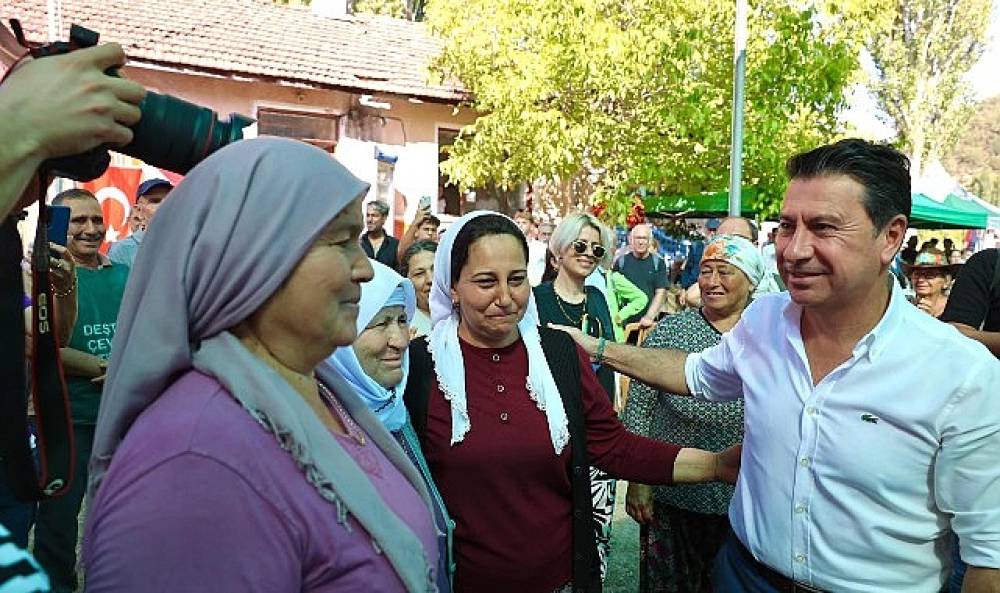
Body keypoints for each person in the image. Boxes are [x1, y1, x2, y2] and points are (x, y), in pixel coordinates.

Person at [553, 139, 1000, 593]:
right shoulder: (764, 322)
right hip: (742, 575)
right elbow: (693, 374)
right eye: (787, 226)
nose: (795, 250)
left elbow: (988, 558)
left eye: (824, 227)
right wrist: (594, 347)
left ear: (890, 237)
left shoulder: (962, 374)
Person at [82, 138, 439, 592]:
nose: (365, 270)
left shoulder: (324, 391)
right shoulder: (194, 462)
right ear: (254, 257)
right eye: (341, 242)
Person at [403, 211, 740, 593]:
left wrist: (716, 464)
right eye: (485, 282)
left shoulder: (558, 355)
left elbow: (613, 446)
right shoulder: (419, 367)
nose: (505, 297)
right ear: (453, 287)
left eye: (516, 280)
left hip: (559, 581)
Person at [622, 235, 763, 593]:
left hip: (745, 500)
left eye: (725, 272)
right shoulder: (671, 330)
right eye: (706, 271)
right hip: (673, 493)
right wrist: (638, 480)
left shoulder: (768, 336)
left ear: (751, 282)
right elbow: (639, 405)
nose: (712, 282)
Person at [327, 260, 454, 592]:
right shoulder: (327, 426)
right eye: (379, 323)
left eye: (401, 320)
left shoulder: (396, 408)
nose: (399, 339)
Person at [31, 189, 129, 593]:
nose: (91, 229)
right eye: (78, 221)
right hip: (67, 417)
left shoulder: (123, 275)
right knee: (59, 516)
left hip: (120, 413)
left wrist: (128, 368)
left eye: (96, 220)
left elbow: (142, 329)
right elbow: (40, 342)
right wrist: (107, 366)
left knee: (119, 512)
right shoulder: (39, 275)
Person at [533, 212, 619, 579]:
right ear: (557, 255)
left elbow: (611, 356)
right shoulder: (536, 298)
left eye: (596, 249)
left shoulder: (598, 297)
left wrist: (613, 409)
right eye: (580, 245)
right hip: (552, 430)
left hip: (597, 427)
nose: (588, 253)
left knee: (597, 532)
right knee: (552, 525)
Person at [107, 178, 172, 268]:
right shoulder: (122, 250)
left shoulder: (186, 245)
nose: (165, 204)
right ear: (138, 210)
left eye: (171, 199)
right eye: (155, 201)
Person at [614, 223, 668, 331]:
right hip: (624, 322)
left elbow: (660, 292)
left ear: (650, 241)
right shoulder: (621, 262)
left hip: (647, 323)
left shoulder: (658, 263)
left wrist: (649, 316)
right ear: (631, 240)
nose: (640, 241)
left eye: (644, 238)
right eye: (637, 238)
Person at [400, 240, 437, 339]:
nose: (430, 279)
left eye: (436, 269)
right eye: (419, 273)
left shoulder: (466, 315)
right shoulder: (403, 327)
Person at [906, 249, 955, 318]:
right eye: (917, 274)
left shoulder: (955, 309)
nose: (921, 279)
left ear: (946, 281)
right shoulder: (904, 306)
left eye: (929, 275)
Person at [678, 218, 720, 290]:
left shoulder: (723, 249)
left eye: (715, 230)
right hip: (692, 285)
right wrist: (683, 289)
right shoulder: (696, 247)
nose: (712, 233)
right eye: (710, 230)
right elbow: (688, 268)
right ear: (706, 230)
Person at [360, 200, 399, 270]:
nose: (369, 220)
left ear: (384, 218)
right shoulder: (359, 243)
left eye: (374, 216)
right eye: (368, 215)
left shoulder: (394, 245)